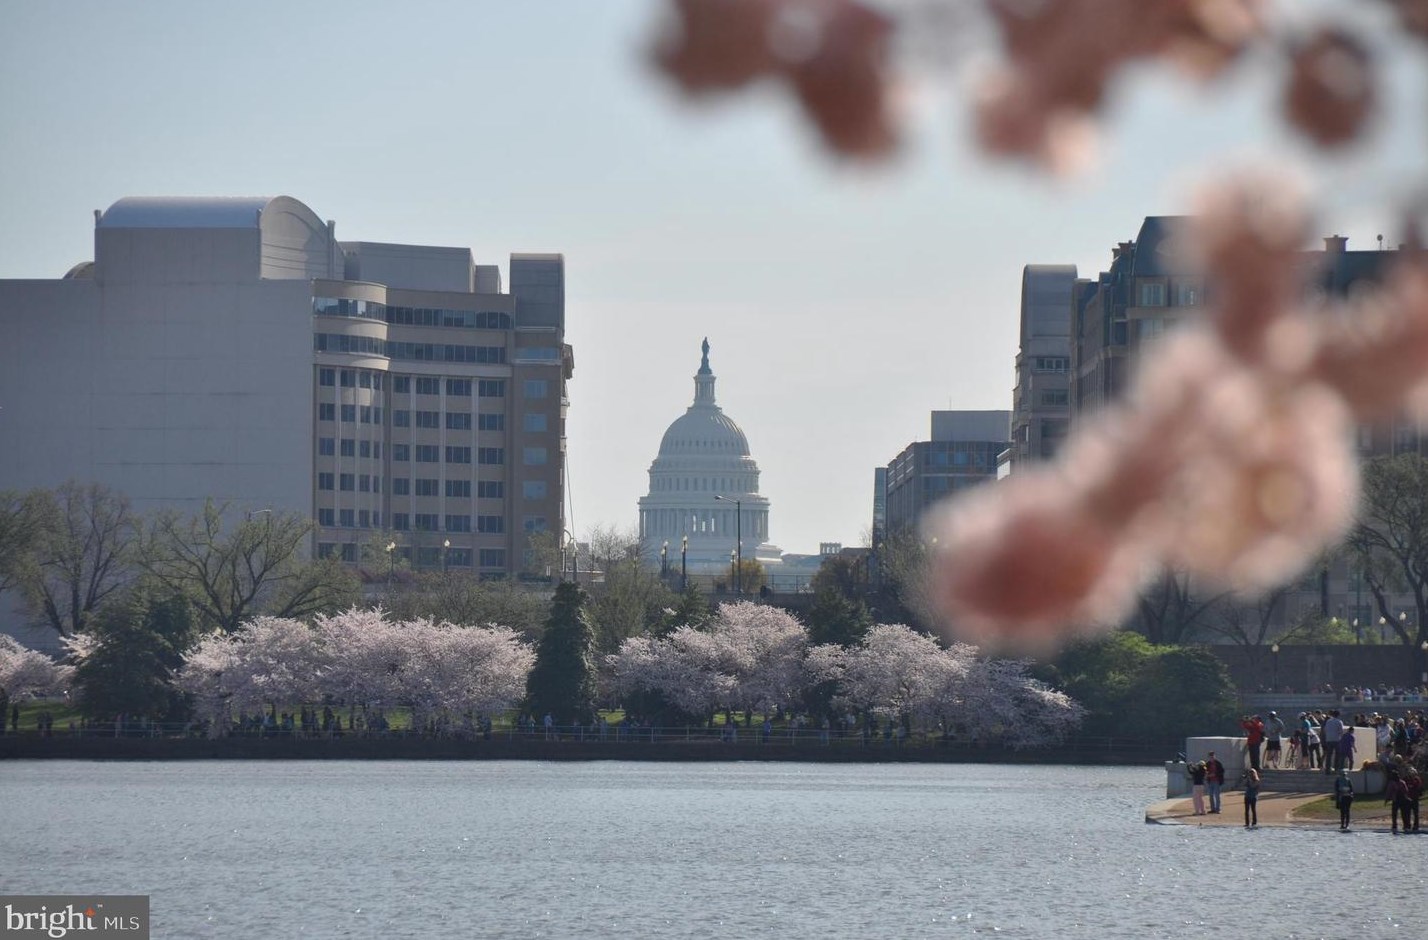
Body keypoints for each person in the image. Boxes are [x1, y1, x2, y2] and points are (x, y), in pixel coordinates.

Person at [1321, 710, 1344, 774]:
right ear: (1338, 715)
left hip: (1328, 740)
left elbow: (1325, 730)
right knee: (1337, 754)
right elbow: (1341, 732)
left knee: (1329, 755)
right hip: (1336, 740)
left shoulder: (1328, 721)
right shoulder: (1339, 722)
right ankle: (1336, 769)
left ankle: (1327, 770)